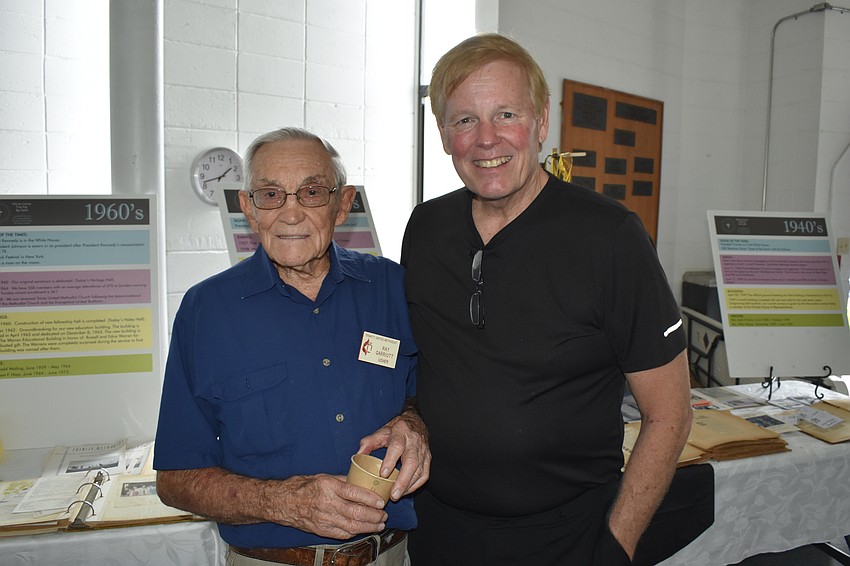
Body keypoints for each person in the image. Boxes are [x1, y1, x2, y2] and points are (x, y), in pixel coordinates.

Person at [401, 33, 692, 565]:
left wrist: (615, 548)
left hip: (567, 539)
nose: (487, 139)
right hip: (438, 531)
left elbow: (670, 414)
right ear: (443, 134)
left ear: (540, 123)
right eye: (465, 120)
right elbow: (422, 368)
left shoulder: (610, 238)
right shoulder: (426, 229)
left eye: (506, 114)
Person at [154, 127, 429, 566]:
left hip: (393, 555)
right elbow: (175, 479)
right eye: (270, 194)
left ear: (343, 204)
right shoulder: (205, 311)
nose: (291, 213)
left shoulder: (393, 288)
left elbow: (432, 394)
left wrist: (414, 424)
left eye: (312, 192)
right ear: (247, 208)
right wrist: (284, 502)